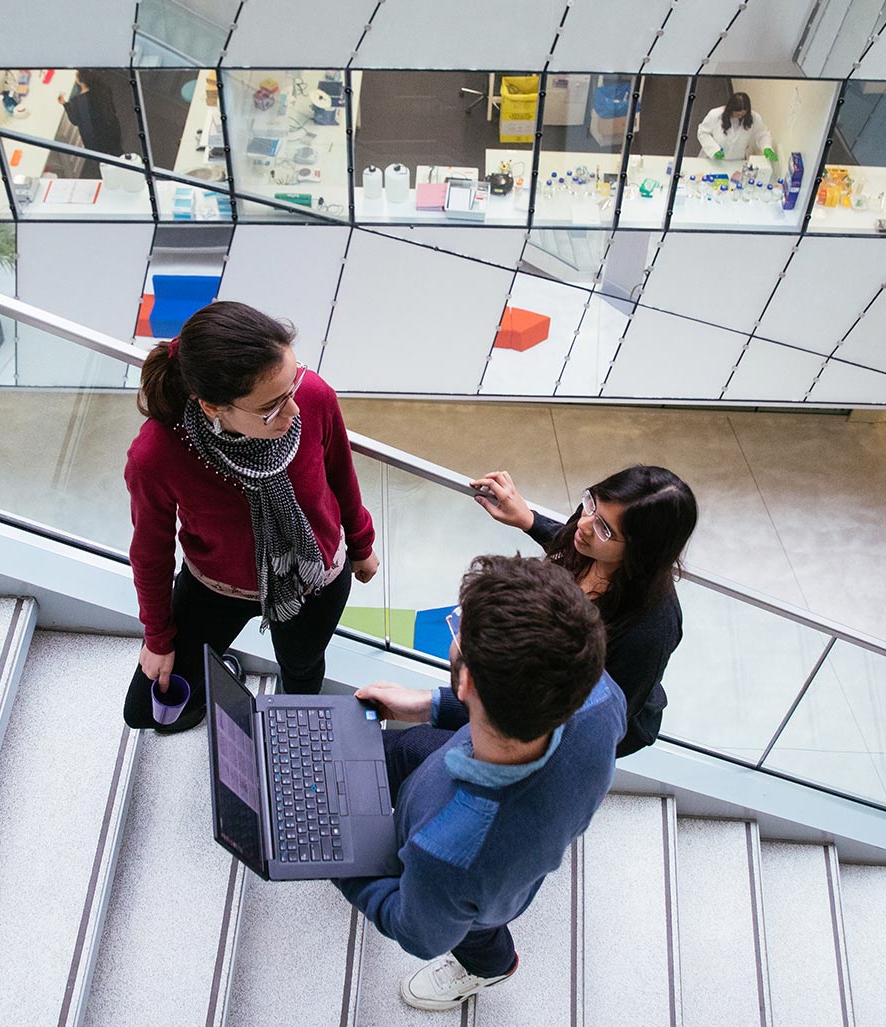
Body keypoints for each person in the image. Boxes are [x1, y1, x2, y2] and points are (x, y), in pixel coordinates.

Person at [341, 555, 620, 1011]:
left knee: (476, 931)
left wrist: (339, 854)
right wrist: (428, 705)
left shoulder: (447, 854)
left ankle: (489, 967)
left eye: (457, 629)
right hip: (528, 826)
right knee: (407, 750)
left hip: (486, 878)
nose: (455, 632)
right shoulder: (599, 696)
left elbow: (415, 931)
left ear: (466, 680)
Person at [124, 301, 377, 733]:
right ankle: (223, 680)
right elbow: (150, 553)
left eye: (292, 385)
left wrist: (361, 542)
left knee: (300, 670)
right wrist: (158, 638)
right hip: (214, 586)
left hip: (312, 579)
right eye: (273, 405)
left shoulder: (313, 396)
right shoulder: (158, 455)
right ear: (212, 407)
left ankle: (283, 736)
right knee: (144, 711)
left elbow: (339, 471)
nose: (295, 410)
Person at [470, 466, 696, 758]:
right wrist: (528, 519)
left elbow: (607, 714)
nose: (584, 525)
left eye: (605, 529)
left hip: (580, 723)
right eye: (591, 502)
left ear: (640, 552)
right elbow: (572, 545)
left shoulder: (651, 630)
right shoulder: (590, 529)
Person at [58, 69, 125, 161]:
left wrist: (65, 104)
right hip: (111, 128)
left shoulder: (79, 102)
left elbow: (75, 120)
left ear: (80, 81)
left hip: (96, 138)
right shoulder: (102, 90)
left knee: (104, 161)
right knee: (118, 153)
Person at [696, 91, 776, 163]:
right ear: (730, 109)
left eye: (742, 114)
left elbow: (762, 135)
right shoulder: (715, 115)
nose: (740, 116)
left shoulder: (754, 118)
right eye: (737, 114)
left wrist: (767, 147)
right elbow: (703, 133)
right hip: (712, 160)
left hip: (736, 161)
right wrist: (713, 150)